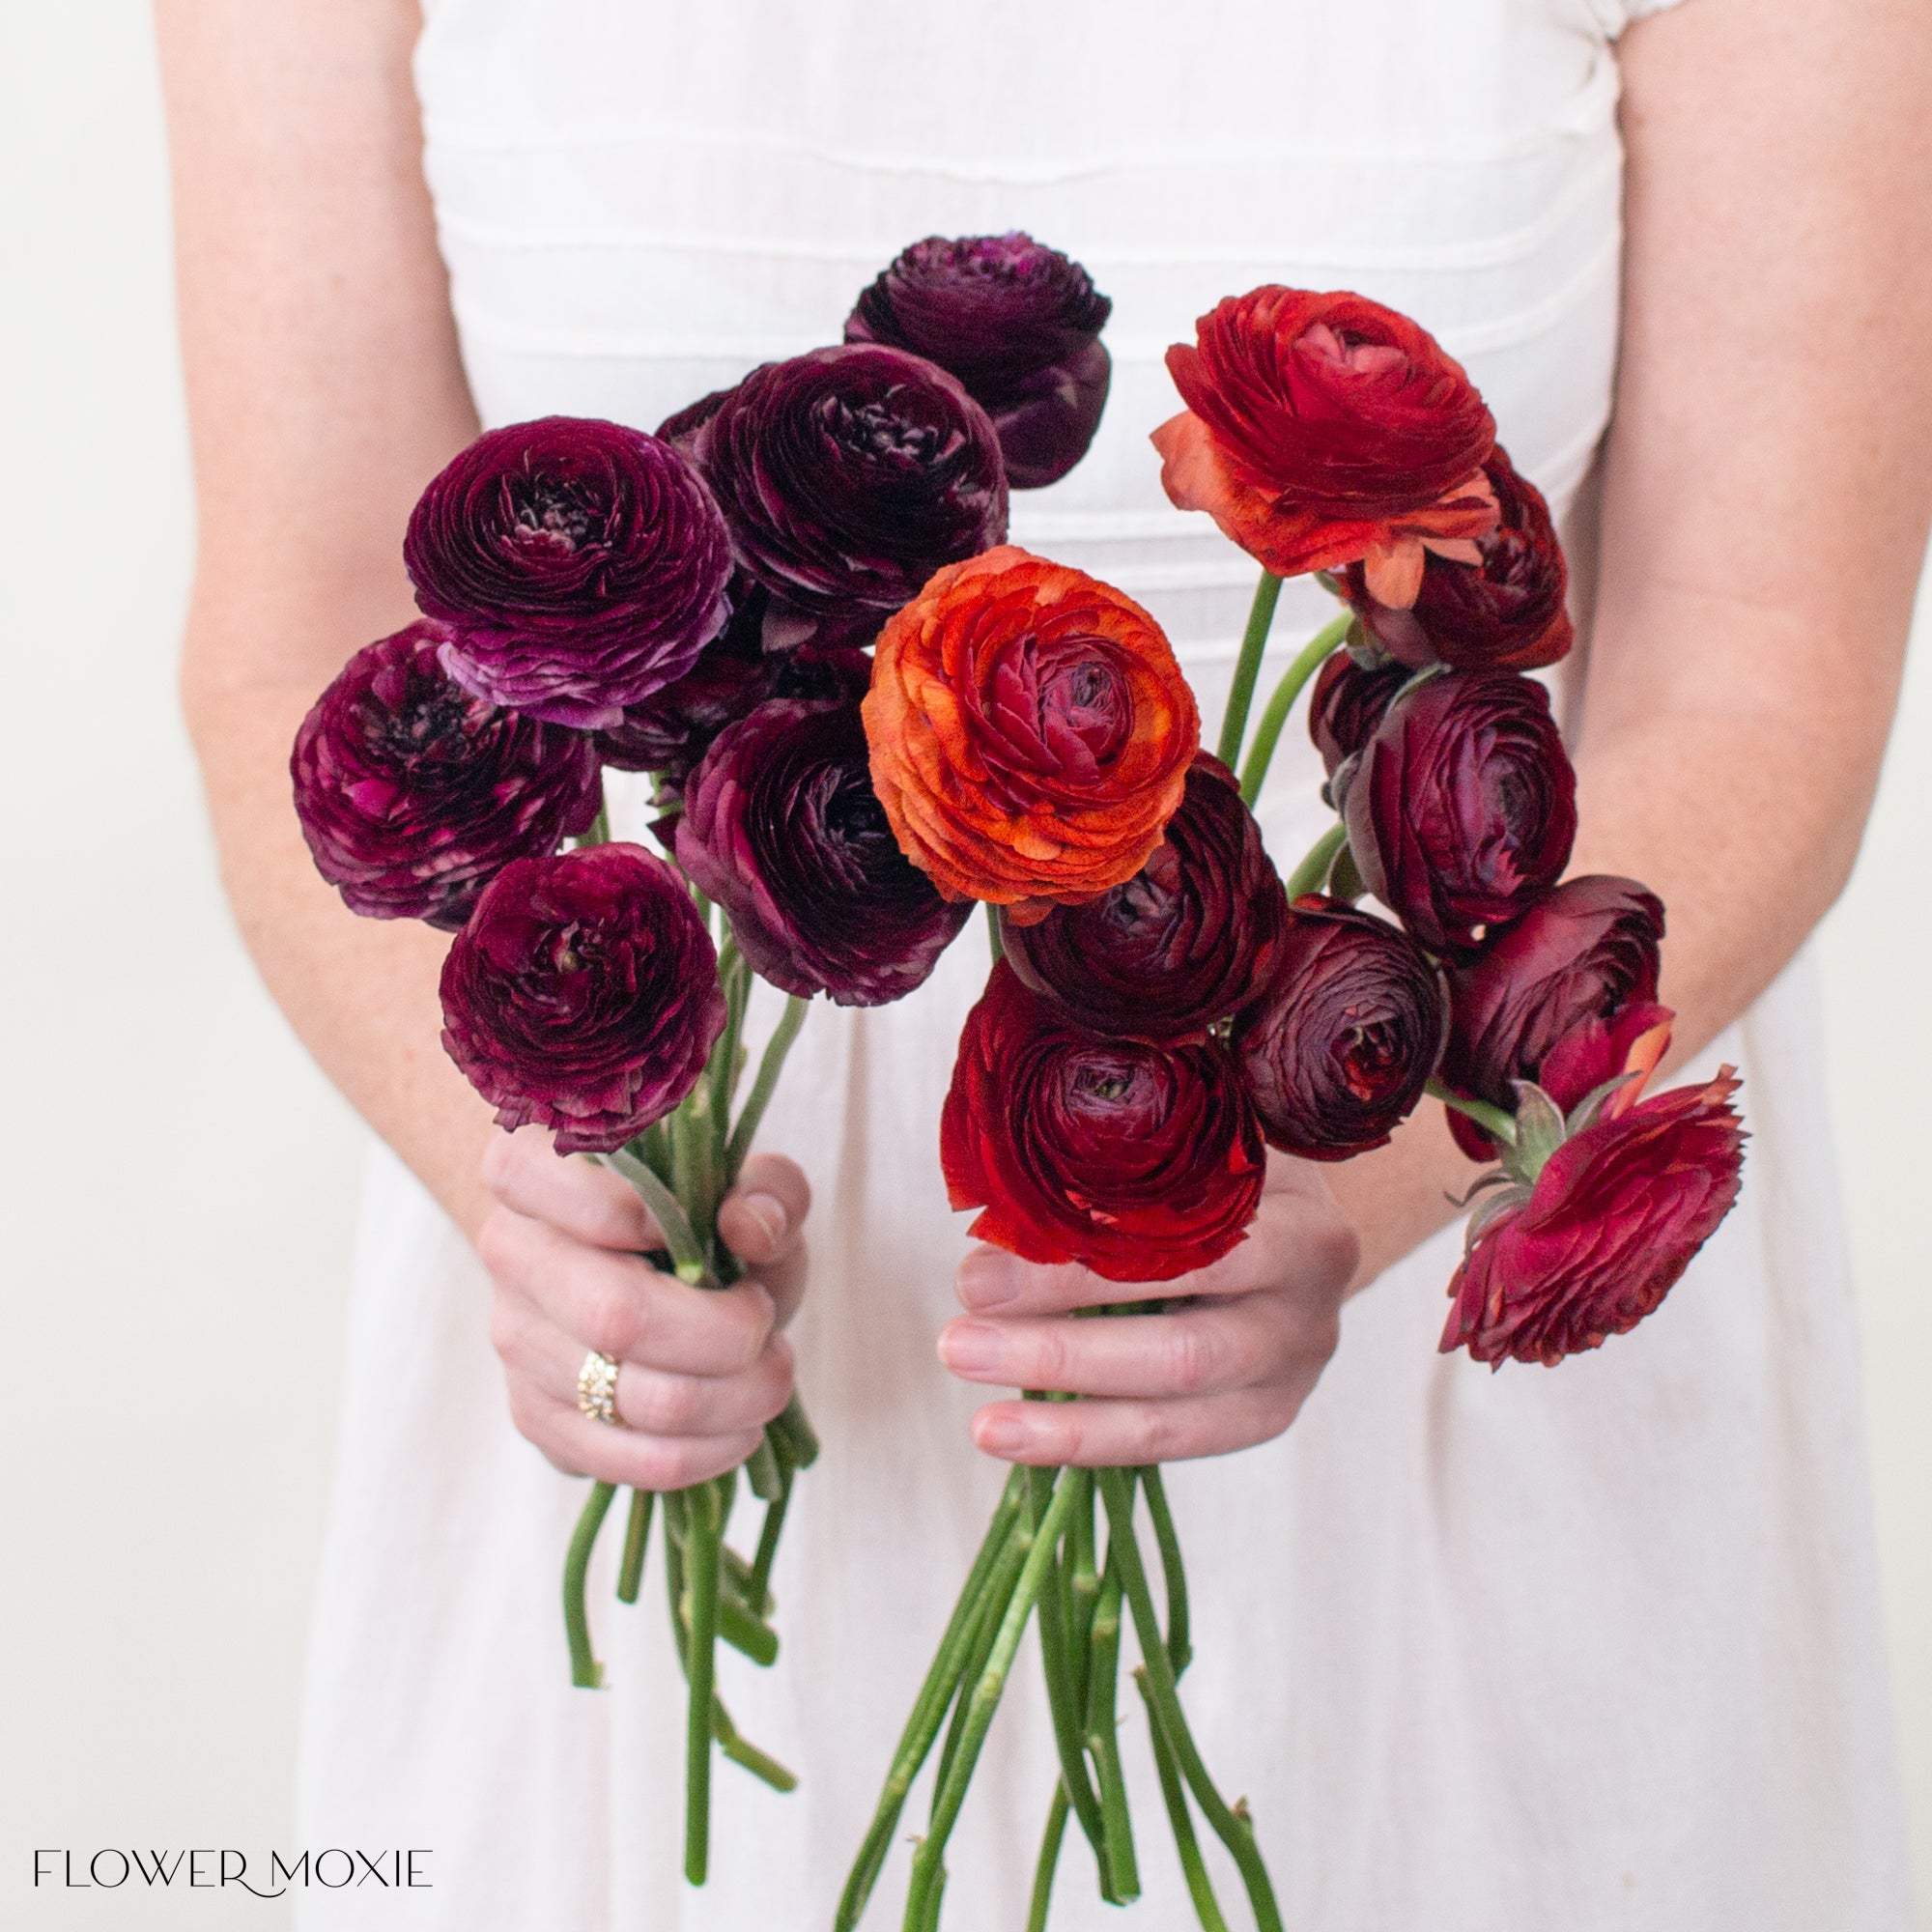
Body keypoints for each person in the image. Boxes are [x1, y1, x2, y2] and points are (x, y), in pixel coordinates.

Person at [156, 0, 1929, 1924]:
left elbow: (1761, 672)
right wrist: (562, 1211)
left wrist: (1360, 1166)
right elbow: (303, 631)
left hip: (1416, 1342)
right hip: (671, 1346)